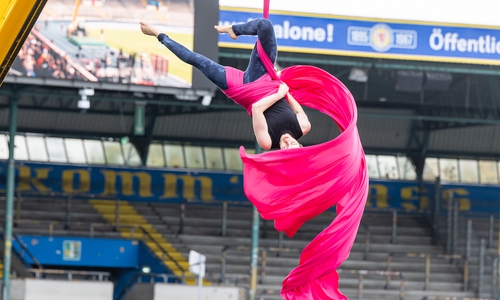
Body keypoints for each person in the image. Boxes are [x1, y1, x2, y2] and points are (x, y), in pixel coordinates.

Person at [140, 19, 311, 150]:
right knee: (265, 26)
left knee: (198, 61)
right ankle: (233, 30)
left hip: (242, 90)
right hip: (264, 77)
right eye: (293, 143)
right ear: (299, 143)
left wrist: (280, 94)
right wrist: (282, 87)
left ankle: (158, 34)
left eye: (285, 147)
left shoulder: (267, 142)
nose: (288, 141)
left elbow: (258, 109)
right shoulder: (303, 126)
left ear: (280, 151)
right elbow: (295, 108)